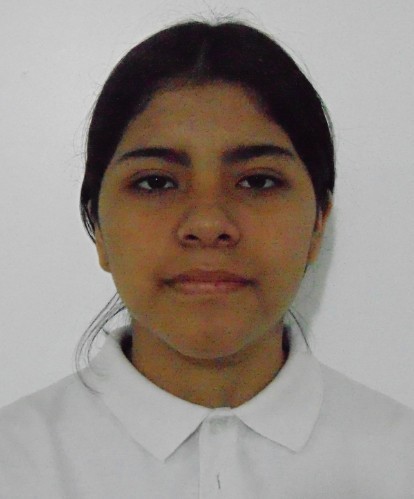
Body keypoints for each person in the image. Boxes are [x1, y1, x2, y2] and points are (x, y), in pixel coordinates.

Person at [1, 18, 413, 499]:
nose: (208, 222)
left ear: (319, 222)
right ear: (98, 228)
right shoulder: (16, 464)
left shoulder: (399, 460)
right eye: (156, 182)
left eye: (257, 181)